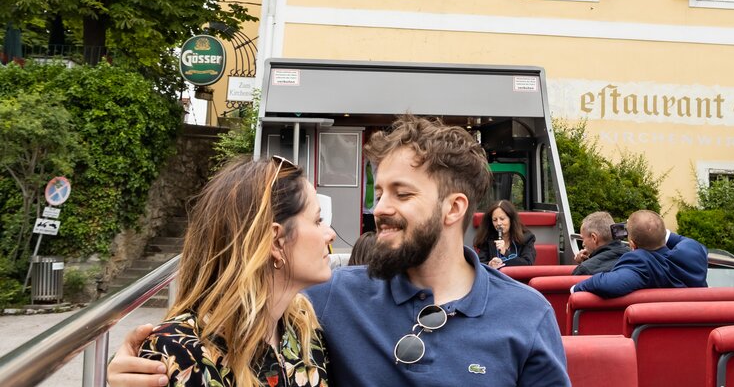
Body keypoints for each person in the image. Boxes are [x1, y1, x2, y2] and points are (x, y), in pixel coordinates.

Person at [108, 115, 569, 387]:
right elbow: (224, 325)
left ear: (454, 208)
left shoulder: (525, 315)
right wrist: (130, 372)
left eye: (401, 194)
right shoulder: (323, 299)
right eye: (379, 191)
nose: (378, 209)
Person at [138, 156, 336, 387]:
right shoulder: (179, 353)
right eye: (317, 220)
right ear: (276, 241)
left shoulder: (303, 329)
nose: (330, 234)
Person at [572, 209, 707, 298]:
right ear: (664, 234)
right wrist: (655, 228)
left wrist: (576, 288)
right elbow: (680, 240)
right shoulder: (693, 251)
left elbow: (611, 284)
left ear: (632, 245)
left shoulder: (639, 263)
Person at [473, 200, 537, 269]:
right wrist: (489, 264)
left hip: (518, 279)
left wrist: (506, 252)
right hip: (495, 278)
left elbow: (527, 263)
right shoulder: (488, 238)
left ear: (511, 220)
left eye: (502, 219)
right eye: (495, 220)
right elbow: (479, 263)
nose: (498, 223)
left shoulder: (527, 237)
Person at [572, 211, 631, 275]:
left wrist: (583, 265)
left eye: (583, 239)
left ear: (594, 238)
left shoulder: (585, 270)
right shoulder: (635, 257)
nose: (583, 244)